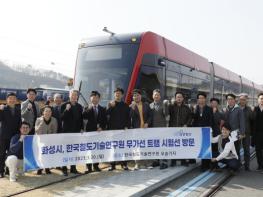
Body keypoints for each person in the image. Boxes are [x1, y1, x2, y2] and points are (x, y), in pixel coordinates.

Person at [83, 91, 107, 173]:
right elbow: (84, 116)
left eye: (96, 97)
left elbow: (105, 121)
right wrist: (89, 108)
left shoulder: (102, 109)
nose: (94, 99)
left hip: (99, 133)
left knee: (97, 150)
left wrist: (102, 127)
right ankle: (88, 167)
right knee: (88, 150)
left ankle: (96, 166)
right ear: (90, 99)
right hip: (89, 133)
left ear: (99, 99)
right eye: (93, 97)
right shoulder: (86, 108)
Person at [61, 89, 83, 176]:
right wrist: (66, 110)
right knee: (65, 151)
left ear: (77, 97)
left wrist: (81, 128)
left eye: (76, 95)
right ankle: (64, 168)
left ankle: (73, 168)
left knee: (74, 150)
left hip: (76, 132)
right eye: (72, 95)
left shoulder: (79, 106)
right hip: (66, 132)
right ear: (69, 95)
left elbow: (81, 119)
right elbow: (61, 118)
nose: (74, 96)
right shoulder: (64, 105)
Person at [107, 87, 130, 171]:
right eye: (116, 93)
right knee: (112, 148)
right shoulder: (110, 104)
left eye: (119, 93)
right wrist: (111, 107)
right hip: (112, 130)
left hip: (122, 130)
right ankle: (112, 165)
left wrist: (127, 126)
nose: (117, 94)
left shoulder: (125, 105)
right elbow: (106, 114)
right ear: (114, 94)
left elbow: (128, 118)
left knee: (123, 148)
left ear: (122, 95)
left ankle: (124, 164)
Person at [130, 89, 152, 170]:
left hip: (145, 129)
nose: (136, 97)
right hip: (136, 130)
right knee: (136, 147)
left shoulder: (146, 105)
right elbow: (130, 117)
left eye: (137, 95)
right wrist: (132, 108)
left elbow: (150, 116)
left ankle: (147, 163)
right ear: (133, 97)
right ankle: (137, 164)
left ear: (140, 96)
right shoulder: (131, 106)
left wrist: (147, 123)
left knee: (146, 146)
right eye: (134, 96)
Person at [0, 92, 21, 178]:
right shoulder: (3, 108)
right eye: (10, 98)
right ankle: (1, 171)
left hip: (14, 136)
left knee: (11, 154)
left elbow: (19, 123)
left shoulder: (18, 110)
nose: (12, 100)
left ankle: (9, 170)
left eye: (13, 98)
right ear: (7, 100)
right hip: (3, 136)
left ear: (16, 100)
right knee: (1, 154)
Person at [168, 91, 192, 167]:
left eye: (180, 97)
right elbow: (165, 113)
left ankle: (183, 161)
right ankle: (173, 161)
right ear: (175, 98)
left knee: (183, 146)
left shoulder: (186, 107)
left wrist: (186, 124)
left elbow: (190, 117)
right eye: (177, 97)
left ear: (183, 98)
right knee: (174, 145)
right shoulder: (171, 107)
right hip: (173, 129)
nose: (179, 98)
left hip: (183, 129)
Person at [192, 93, 214, 171]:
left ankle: (204, 165)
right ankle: (193, 160)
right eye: (199, 98)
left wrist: (210, 128)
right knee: (197, 147)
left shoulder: (209, 109)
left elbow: (211, 120)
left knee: (205, 147)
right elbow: (193, 119)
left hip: (205, 131)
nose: (201, 99)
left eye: (202, 98)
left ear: (205, 99)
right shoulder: (195, 108)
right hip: (197, 131)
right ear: (197, 100)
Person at [35, 106, 58, 175]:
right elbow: (37, 131)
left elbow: (55, 131)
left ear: (51, 113)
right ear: (43, 112)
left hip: (50, 140)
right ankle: (39, 168)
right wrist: (41, 123)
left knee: (48, 154)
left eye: (49, 111)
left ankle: (47, 168)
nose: (48, 113)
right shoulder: (38, 119)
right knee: (40, 154)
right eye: (46, 111)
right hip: (40, 140)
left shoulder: (54, 120)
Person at [150, 89, 169, 169]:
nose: (156, 96)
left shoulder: (163, 104)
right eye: (155, 94)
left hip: (162, 129)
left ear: (160, 96)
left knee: (163, 145)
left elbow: (166, 114)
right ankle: (156, 160)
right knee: (155, 145)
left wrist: (166, 105)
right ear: (152, 96)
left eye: (158, 95)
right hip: (153, 129)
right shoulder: (150, 105)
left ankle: (164, 162)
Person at [224, 93, 245, 164]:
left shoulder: (239, 109)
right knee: (228, 150)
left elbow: (242, 122)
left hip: (236, 133)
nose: (229, 101)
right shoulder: (226, 109)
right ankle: (230, 165)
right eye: (228, 99)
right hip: (227, 133)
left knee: (236, 149)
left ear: (234, 100)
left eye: (231, 99)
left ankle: (236, 165)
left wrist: (242, 133)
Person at [238, 93, 253, 171]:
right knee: (236, 149)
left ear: (246, 101)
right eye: (241, 100)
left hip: (246, 133)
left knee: (246, 150)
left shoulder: (249, 109)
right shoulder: (236, 108)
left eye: (244, 100)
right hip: (237, 132)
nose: (242, 101)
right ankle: (237, 164)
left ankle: (247, 166)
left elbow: (252, 120)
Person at [210, 98, 225, 169]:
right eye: (212, 103)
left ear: (217, 104)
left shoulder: (220, 114)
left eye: (215, 103)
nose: (214, 104)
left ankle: (215, 165)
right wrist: (212, 113)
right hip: (209, 134)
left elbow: (221, 123)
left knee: (215, 150)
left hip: (217, 134)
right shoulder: (207, 112)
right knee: (209, 149)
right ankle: (209, 164)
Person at [251, 93, 263, 172]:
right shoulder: (254, 109)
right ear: (258, 100)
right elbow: (252, 122)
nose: (262, 100)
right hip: (257, 134)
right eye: (261, 98)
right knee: (258, 150)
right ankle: (260, 165)